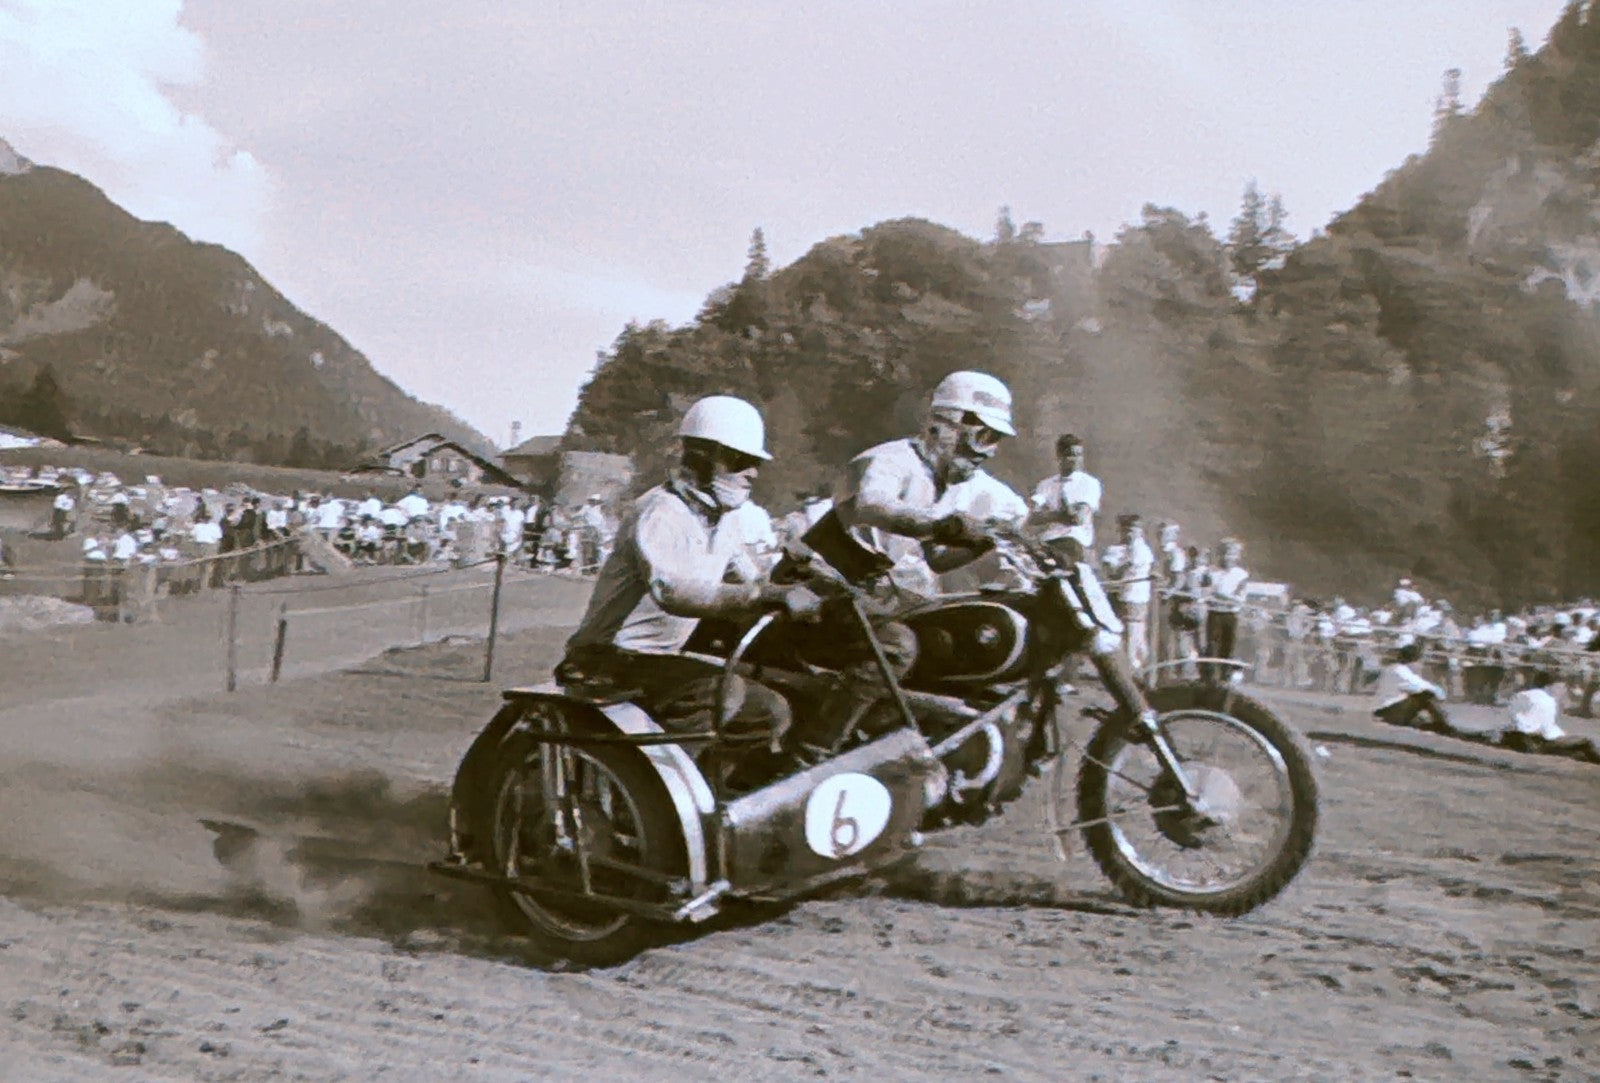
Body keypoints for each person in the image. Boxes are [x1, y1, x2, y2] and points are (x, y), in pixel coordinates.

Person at [557, 395, 818, 787]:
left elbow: (753, 579)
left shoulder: (725, 520)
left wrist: (801, 573)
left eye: (755, 464)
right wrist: (761, 596)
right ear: (701, 457)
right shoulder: (660, 511)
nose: (752, 473)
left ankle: (710, 795)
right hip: (606, 658)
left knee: (771, 711)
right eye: (738, 461)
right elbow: (672, 591)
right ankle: (653, 798)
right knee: (721, 693)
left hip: (656, 662)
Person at [782, 370, 1015, 755]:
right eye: (983, 437)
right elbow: (872, 506)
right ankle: (813, 748)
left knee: (948, 625)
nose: (987, 452)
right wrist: (942, 524)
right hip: (818, 583)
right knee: (896, 645)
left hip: (862, 590)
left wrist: (987, 539)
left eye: (996, 442)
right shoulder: (889, 460)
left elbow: (937, 560)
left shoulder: (939, 483)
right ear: (947, 427)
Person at [1029, 433, 1101, 563]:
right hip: (1048, 541)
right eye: (1070, 455)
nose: (1074, 459)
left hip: (1074, 543)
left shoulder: (1089, 483)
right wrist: (1060, 515)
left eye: (1079, 455)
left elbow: (1077, 519)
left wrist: (1049, 515)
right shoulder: (1045, 484)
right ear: (1059, 456)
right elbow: (1032, 518)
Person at [1101, 514, 1156, 671]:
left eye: (1135, 530)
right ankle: (1124, 666)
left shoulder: (1143, 549)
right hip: (1118, 596)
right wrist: (1127, 563)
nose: (1131, 534)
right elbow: (1112, 573)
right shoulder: (1114, 550)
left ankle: (1137, 667)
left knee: (1136, 634)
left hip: (1137, 598)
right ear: (1121, 531)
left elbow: (1148, 568)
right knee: (1119, 632)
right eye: (1127, 531)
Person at [1372, 639, 1451, 732]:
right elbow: (1421, 686)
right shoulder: (1401, 671)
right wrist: (1437, 692)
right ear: (1414, 660)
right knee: (1426, 695)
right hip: (1389, 710)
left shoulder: (1394, 668)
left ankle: (1438, 723)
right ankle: (1443, 724)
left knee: (1422, 698)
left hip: (1384, 710)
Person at [1203, 538, 1249, 683]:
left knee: (1228, 648)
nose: (1228, 557)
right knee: (1212, 647)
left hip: (1231, 614)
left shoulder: (1241, 575)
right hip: (1214, 613)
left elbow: (1239, 598)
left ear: (1238, 556)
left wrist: (1220, 596)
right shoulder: (1210, 572)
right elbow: (1207, 594)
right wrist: (1220, 597)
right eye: (1226, 553)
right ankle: (1210, 679)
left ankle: (1225, 678)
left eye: (1233, 554)